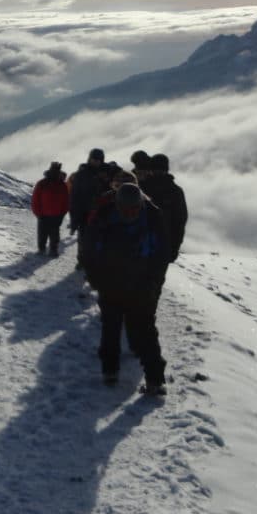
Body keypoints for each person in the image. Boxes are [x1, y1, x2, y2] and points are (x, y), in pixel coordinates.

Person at [81, 182, 170, 395]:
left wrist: (96, 279)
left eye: (134, 209)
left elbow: (90, 251)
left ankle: (111, 371)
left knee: (116, 328)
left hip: (128, 285)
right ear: (117, 204)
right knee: (141, 330)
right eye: (126, 209)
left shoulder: (107, 218)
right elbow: (89, 253)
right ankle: (154, 380)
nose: (130, 213)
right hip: (126, 285)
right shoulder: (150, 219)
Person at [141, 154, 188, 264]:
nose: (158, 172)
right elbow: (180, 222)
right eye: (156, 169)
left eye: (160, 170)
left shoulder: (175, 191)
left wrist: (174, 247)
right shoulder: (141, 187)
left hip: (159, 246)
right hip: (142, 245)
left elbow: (179, 222)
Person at [70, 148, 110, 269]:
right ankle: (82, 261)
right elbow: (74, 196)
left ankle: (95, 263)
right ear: (89, 159)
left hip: (102, 212)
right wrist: (74, 218)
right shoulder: (81, 174)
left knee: (100, 239)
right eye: (94, 159)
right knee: (84, 239)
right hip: (84, 213)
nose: (96, 162)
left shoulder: (107, 173)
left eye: (98, 160)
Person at [31, 161, 70, 256]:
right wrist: (38, 213)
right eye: (54, 170)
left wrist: (62, 214)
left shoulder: (62, 185)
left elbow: (66, 201)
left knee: (55, 235)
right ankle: (42, 249)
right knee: (42, 234)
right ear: (50, 170)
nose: (55, 172)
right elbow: (35, 200)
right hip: (43, 214)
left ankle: (53, 250)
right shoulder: (42, 184)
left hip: (56, 215)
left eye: (57, 170)